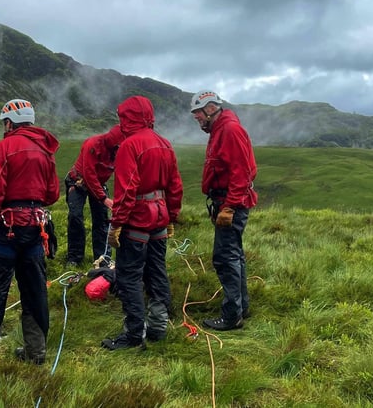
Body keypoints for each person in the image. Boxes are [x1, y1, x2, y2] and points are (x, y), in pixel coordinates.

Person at [0, 99, 60, 364]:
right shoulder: (45, 151)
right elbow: (53, 193)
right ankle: (36, 353)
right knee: (35, 291)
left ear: (9, 123)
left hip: (5, 230)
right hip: (35, 229)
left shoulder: (4, 148)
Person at [102, 95, 183, 350]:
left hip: (137, 221)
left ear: (127, 118)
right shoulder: (165, 144)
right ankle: (158, 326)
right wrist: (172, 216)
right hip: (159, 218)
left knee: (129, 276)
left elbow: (126, 191)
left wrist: (116, 224)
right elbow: (175, 186)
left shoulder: (129, 145)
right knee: (157, 270)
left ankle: (135, 334)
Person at [190, 90, 257, 331]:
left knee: (225, 258)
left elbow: (241, 172)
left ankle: (231, 316)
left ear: (210, 109)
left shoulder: (229, 130)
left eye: (198, 114)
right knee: (234, 256)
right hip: (228, 201)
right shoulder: (221, 129)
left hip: (232, 204)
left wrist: (228, 207)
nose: (196, 119)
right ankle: (241, 308)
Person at [65, 124, 125, 266]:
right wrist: (104, 198)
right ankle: (74, 258)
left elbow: (123, 174)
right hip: (78, 181)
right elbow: (89, 174)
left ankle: (103, 257)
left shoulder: (122, 150)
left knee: (102, 220)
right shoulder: (93, 144)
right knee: (75, 217)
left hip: (99, 183)